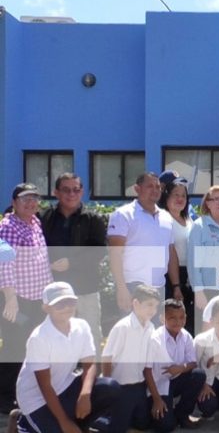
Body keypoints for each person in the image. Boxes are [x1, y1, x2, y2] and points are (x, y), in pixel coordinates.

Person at [7, 282, 119, 433]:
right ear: (46, 308)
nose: (67, 307)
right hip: (37, 400)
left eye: (70, 302)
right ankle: (22, 422)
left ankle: (82, 431)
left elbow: (89, 365)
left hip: (64, 387)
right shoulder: (39, 337)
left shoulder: (82, 326)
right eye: (59, 304)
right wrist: (64, 422)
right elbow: (45, 387)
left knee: (110, 387)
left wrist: (85, 395)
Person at [39, 173, 108, 352]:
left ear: (82, 192)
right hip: (54, 291)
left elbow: (100, 251)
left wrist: (72, 263)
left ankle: (92, 379)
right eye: (66, 190)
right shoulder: (44, 218)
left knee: (90, 338)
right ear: (56, 192)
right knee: (56, 340)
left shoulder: (93, 219)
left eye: (76, 190)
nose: (71, 194)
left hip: (86, 290)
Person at [0, 183, 53, 413]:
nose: (31, 203)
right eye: (25, 199)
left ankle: (24, 392)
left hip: (36, 297)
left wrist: (49, 295)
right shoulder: (8, 226)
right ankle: (5, 398)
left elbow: (41, 261)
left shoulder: (35, 222)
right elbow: (4, 264)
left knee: (32, 345)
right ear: (14, 203)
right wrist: (10, 299)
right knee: (15, 347)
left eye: (34, 198)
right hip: (17, 300)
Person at [107, 172, 179, 313]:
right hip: (132, 288)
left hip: (159, 287)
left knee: (156, 334)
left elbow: (170, 253)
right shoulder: (123, 215)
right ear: (137, 189)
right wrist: (121, 289)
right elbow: (115, 254)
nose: (155, 190)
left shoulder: (166, 218)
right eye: (150, 186)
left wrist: (176, 286)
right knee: (133, 334)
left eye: (158, 187)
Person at [94, 284, 159, 433]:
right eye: (149, 305)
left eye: (155, 306)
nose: (153, 310)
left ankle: (120, 414)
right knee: (117, 430)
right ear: (136, 304)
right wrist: (108, 386)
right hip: (120, 386)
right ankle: (93, 417)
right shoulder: (123, 327)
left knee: (143, 424)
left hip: (138, 385)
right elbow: (107, 357)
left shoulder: (150, 328)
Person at [144, 299, 206, 432]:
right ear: (162, 318)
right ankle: (159, 411)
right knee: (165, 427)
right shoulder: (155, 339)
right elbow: (147, 371)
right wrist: (157, 400)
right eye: (172, 318)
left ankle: (182, 415)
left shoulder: (186, 336)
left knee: (198, 375)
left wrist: (181, 368)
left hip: (177, 379)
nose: (178, 322)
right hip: (158, 386)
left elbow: (193, 362)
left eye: (181, 317)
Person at [187, 185, 219, 320]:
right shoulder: (199, 226)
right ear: (207, 203)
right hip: (208, 289)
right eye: (215, 199)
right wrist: (198, 291)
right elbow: (193, 261)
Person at [158, 177, 194, 334]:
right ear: (166, 197)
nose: (180, 199)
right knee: (172, 320)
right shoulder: (163, 219)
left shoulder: (188, 219)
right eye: (175, 195)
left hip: (190, 274)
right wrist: (176, 285)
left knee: (188, 319)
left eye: (183, 196)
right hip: (171, 275)